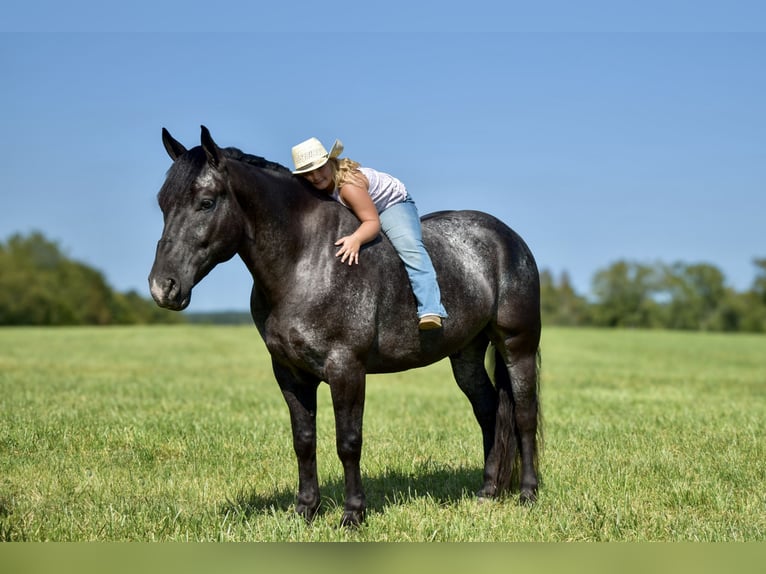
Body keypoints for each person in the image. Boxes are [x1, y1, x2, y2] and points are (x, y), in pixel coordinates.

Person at [291, 137, 447, 330]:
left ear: (330, 162)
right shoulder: (316, 186)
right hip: (361, 208)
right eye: (308, 173)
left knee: (410, 246)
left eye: (320, 168)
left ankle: (430, 309)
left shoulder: (349, 186)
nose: (315, 176)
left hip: (390, 204)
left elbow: (372, 223)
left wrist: (356, 238)